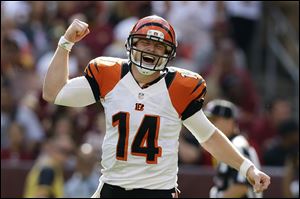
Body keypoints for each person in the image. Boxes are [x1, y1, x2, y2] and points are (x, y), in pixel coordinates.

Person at [42, 15, 270, 198]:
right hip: (112, 187)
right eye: (145, 43)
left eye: (158, 46)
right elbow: (53, 92)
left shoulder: (177, 87)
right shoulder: (110, 76)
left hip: (157, 191)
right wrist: (66, 43)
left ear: (168, 53)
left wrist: (247, 168)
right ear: (132, 44)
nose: (150, 50)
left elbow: (209, 137)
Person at [204, 99, 262, 198]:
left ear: (230, 121)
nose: (210, 124)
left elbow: (241, 187)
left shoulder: (238, 145)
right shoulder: (226, 145)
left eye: (214, 120)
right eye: (208, 120)